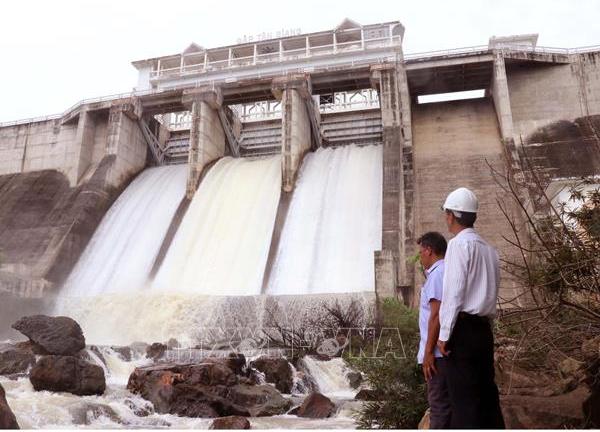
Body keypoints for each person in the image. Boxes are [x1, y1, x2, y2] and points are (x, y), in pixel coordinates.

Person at [437, 187, 505, 429]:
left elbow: (453, 294)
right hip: (483, 331)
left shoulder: (458, 245)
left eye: (446, 213)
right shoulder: (489, 250)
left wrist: (444, 335)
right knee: (487, 395)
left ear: (451, 216)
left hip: (463, 331)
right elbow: (493, 290)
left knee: (463, 400)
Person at [416, 231, 451, 428]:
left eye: (421, 252)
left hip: (436, 355)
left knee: (438, 406)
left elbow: (436, 315)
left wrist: (428, 352)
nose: (420, 256)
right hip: (442, 351)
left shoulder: (437, 275)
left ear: (429, 251)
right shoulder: (447, 271)